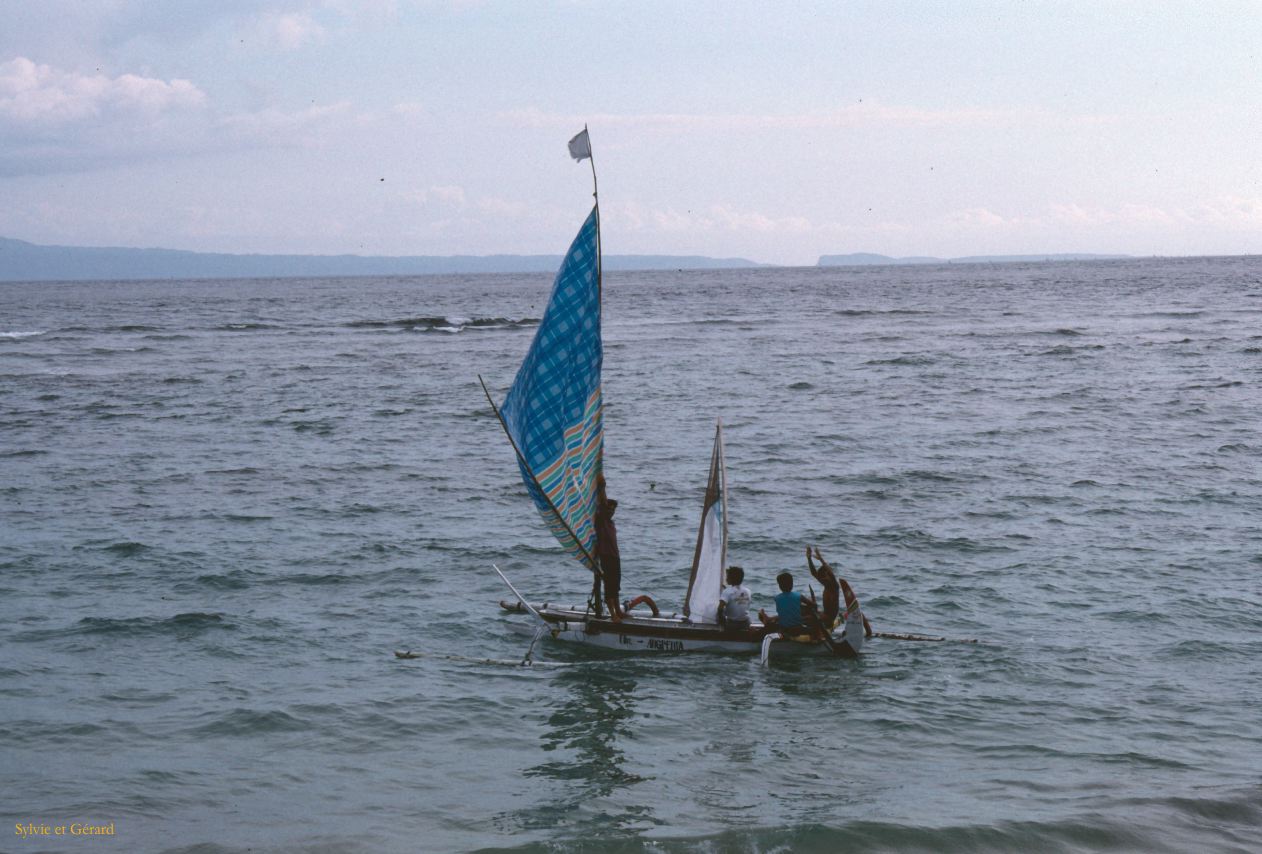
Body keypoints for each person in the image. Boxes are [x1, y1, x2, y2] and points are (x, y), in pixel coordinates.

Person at [807, 546, 873, 638]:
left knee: (857, 612)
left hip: (829, 619)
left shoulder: (834, 586)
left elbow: (831, 574)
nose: (823, 580)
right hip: (825, 616)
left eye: (825, 577)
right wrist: (809, 558)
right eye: (822, 578)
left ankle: (869, 633)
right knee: (806, 612)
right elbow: (814, 573)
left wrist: (821, 559)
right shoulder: (826, 584)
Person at [594, 477, 624, 621]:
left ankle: (619, 611)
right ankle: (613, 614)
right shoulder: (602, 521)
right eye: (609, 509)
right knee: (609, 587)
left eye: (613, 510)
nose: (611, 511)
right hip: (606, 557)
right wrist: (602, 488)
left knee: (616, 586)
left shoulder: (611, 523)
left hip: (615, 557)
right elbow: (602, 503)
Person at [758, 572, 809, 637]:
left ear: (780, 586)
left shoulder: (777, 598)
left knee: (784, 616)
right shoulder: (799, 596)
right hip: (798, 628)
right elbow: (812, 604)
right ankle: (769, 619)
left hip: (784, 629)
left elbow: (783, 614)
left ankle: (768, 620)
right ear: (792, 584)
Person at [716, 565, 752, 631]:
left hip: (733, 624)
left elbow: (720, 609)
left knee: (718, 612)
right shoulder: (748, 591)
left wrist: (722, 622)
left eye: (727, 577)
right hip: (747, 622)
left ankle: (721, 630)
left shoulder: (727, 592)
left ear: (732, 578)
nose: (726, 579)